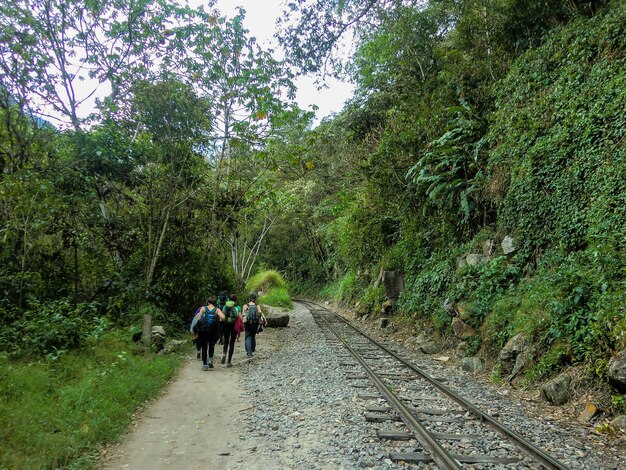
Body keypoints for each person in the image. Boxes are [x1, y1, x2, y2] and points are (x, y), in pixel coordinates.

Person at [190, 297, 225, 370]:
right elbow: (223, 317)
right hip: (213, 331)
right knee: (212, 345)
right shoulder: (217, 310)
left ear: (208, 302)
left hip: (203, 331)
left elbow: (198, 319)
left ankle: (205, 365)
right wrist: (219, 320)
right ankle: (210, 361)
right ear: (215, 303)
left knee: (204, 347)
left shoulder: (203, 308)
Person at [242, 293, 267, 358]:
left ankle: (249, 352)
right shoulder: (257, 306)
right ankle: (253, 350)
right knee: (253, 335)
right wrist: (264, 320)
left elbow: (243, 315)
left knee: (248, 336)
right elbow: (260, 313)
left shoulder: (245, 306)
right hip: (255, 323)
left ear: (249, 299)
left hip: (247, 323)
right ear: (255, 299)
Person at [220, 294, 242, 367]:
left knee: (226, 341)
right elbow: (240, 318)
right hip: (234, 326)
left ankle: (224, 354)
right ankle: (229, 362)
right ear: (235, 300)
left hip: (226, 325)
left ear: (228, 299)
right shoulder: (238, 307)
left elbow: (222, 317)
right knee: (232, 343)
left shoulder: (225, 307)